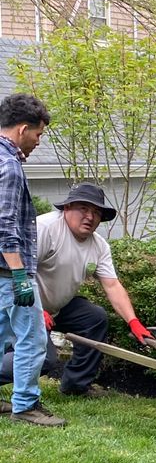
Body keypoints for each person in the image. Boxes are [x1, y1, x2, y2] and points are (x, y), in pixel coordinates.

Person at [34, 182, 153, 396]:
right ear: (67, 208)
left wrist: (133, 321)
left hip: (55, 308)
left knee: (94, 318)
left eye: (96, 212)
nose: (90, 216)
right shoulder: (45, 228)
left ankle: (76, 386)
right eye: (84, 209)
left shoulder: (99, 246)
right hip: (19, 305)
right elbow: (17, 272)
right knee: (42, 359)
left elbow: (112, 285)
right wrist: (33, 309)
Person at [0, 92, 65, 427]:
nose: (39, 141)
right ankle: (25, 404)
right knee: (33, 338)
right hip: (9, 272)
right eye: (38, 134)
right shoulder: (9, 166)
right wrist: (20, 274)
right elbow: (4, 224)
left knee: (0, 336)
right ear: (23, 128)